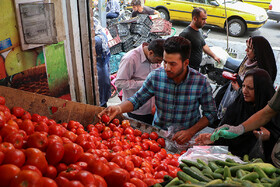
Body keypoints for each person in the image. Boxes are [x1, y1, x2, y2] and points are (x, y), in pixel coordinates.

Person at [98, 36, 217, 145]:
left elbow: (210, 114)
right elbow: (137, 100)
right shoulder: (155, 77)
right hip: (159, 137)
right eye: (165, 62)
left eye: (173, 64)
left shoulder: (200, 82)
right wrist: (119, 108)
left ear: (186, 63)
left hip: (187, 139)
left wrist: (190, 132)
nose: (167, 68)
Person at [195, 69, 280, 161]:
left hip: (260, 164)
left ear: (262, 89)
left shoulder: (274, 111)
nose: (244, 91)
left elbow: (275, 134)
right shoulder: (237, 106)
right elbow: (226, 133)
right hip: (231, 160)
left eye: (250, 88)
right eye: (243, 86)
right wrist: (213, 138)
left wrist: (269, 136)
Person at [214, 36, 277, 120]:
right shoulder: (246, 61)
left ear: (257, 52)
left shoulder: (261, 73)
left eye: (249, 48)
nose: (246, 50)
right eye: (247, 47)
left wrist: (239, 90)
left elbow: (258, 97)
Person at [115, 39, 165, 124]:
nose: (160, 63)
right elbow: (119, 82)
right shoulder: (130, 59)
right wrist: (145, 83)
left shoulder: (154, 57)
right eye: (158, 60)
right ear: (151, 53)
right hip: (138, 109)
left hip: (153, 108)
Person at [94, 18, 111, 107]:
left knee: (99, 91)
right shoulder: (102, 34)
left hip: (98, 68)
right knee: (104, 89)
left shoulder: (96, 39)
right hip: (104, 66)